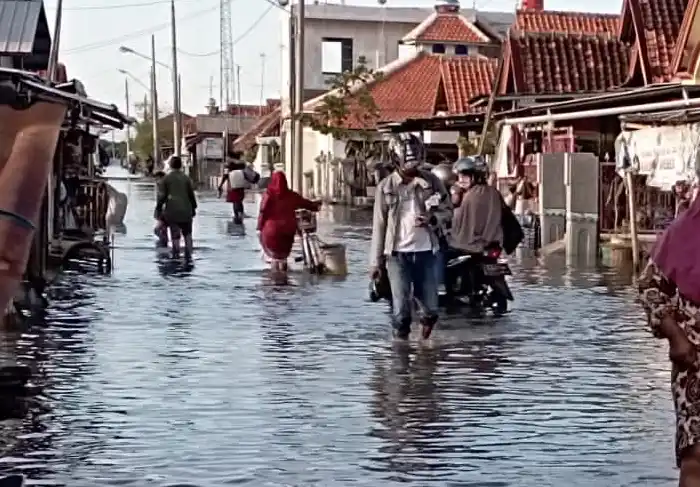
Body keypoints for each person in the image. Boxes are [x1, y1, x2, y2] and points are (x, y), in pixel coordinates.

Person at [638, 190, 700, 487]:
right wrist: (676, 336)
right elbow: (649, 287)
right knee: (697, 455)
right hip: (696, 362)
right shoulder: (683, 231)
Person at [369, 133, 451, 340]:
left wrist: (432, 219)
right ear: (396, 160)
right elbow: (379, 225)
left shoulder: (432, 182)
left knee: (431, 306)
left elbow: (448, 210)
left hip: (427, 253)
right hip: (397, 255)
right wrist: (375, 263)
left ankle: (425, 334)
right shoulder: (385, 187)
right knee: (401, 309)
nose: (412, 166)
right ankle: (401, 353)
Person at [447, 157, 504, 300]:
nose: (461, 179)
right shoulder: (493, 192)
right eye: (459, 176)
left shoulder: (469, 196)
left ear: (475, 176)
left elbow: (454, 219)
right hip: (492, 243)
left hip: (467, 244)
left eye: (465, 176)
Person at [257, 171, 320, 274]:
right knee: (283, 257)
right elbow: (306, 204)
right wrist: (316, 206)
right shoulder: (291, 195)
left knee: (275, 257)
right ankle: (284, 279)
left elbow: (262, 212)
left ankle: (275, 278)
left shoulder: (268, 195)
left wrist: (259, 228)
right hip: (288, 230)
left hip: (271, 232)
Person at [156, 156, 197, 259]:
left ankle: (176, 257)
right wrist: (193, 208)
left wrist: (158, 209)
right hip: (187, 211)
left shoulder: (166, 179)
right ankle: (189, 257)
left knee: (175, 236)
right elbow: (191, 195)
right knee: (188, 235)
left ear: (170, 165)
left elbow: (162, 197)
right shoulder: (186, 178)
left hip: (172, 211)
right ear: (181, 165)